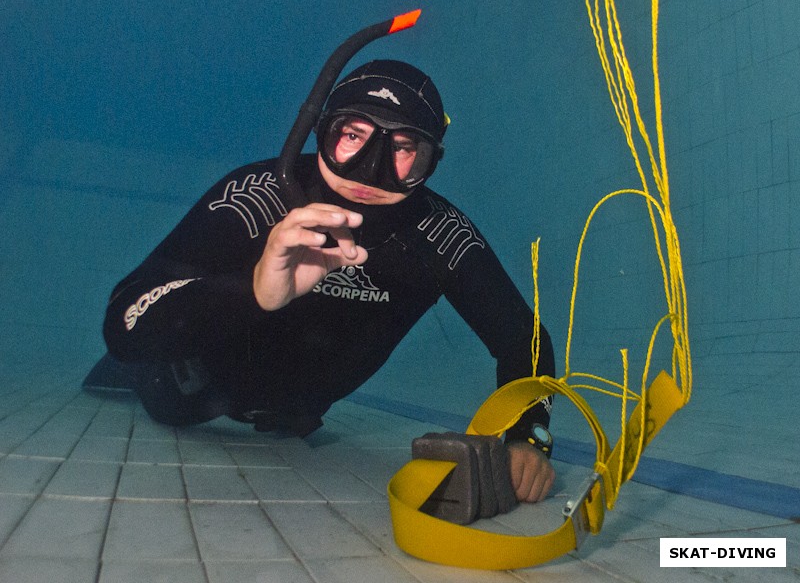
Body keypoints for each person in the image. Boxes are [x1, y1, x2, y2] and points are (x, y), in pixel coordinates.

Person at [86, 59, 557, 503]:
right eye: (353, 135)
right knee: (135, 368)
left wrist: (527, 436)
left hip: (296, 421)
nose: (370, 170)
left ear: (429, 160)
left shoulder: (438, 235)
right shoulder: (259, 198)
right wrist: (252, 292)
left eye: (403, 149)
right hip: (184, 393)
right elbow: (123, 318)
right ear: (320, 131)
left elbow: (523, 339)